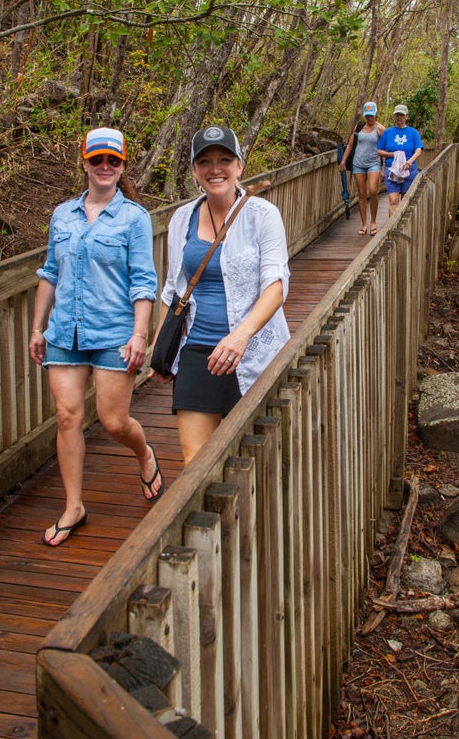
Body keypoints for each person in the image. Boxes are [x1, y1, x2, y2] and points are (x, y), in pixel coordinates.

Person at [29, 127, 162, 547]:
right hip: (65, 331)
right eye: (97, 159)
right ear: (84, 162)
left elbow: (143, 281)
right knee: (67, 417)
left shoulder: (134, 218)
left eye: (113, 161)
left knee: (113, 421)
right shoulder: (62, 214)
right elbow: (51, 272)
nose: (105, 167)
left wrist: (140, 334)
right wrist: (38, 326)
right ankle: (74, 506)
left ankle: (144, 454)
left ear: (123, 166)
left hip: (114, 333)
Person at [153, 125, 290, 465]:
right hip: (198, 351)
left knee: (259, 459)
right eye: (205, 162)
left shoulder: (263, 215)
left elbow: (276, 283)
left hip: (254, 351)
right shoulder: (181, 218)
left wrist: (241, 336)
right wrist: (161, 348)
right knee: (195, 463)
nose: (215, 169)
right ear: (195, 171)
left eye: (224, 159)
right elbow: (173, 288)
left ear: (239, 166)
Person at [339, 102, 386, 235]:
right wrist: (343, 162)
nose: (369, 118)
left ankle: (373, 222)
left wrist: (383, 168)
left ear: (376, 114)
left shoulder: (381, 129)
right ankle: (364, 224)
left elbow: (386, 149)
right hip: (358, 163)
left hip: (373, 163)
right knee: (361, 193)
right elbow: (349, 145)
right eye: (367, 116)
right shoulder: (358, 127)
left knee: (373, 191)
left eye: (371, 116)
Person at [377, 104, 424, 213]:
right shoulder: (387, 133)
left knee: (406, 201)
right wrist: (393, 154)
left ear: (406, 117)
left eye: (402, 115)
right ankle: (391, 229)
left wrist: (410, 161)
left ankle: (403, 229)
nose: (399, 117)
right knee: (393, 200)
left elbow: (419, 149)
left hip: (409, 169)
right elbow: (378, 151)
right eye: (397, 115)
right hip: (392, 169)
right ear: (394, 116)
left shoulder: (413, 133)